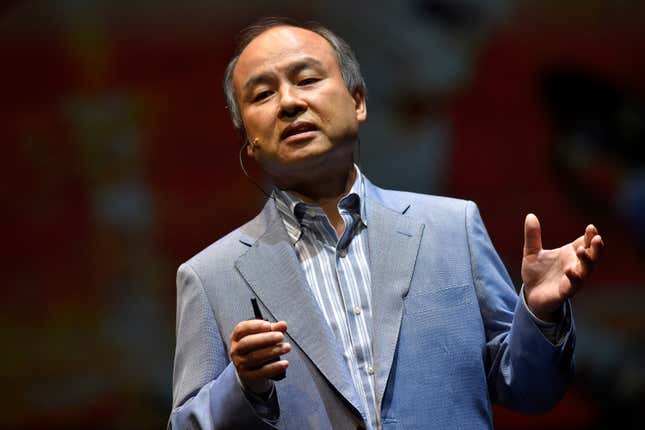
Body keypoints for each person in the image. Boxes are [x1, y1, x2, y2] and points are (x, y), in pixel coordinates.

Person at [168, 18, 604, 430]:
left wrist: (541, 314)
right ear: (249, 141)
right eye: (262, 95)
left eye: (307, 79)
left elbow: (530, 389)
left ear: (357, 102)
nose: (290, 103)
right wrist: (242, 384)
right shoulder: (210, 276)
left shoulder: (452, 227)